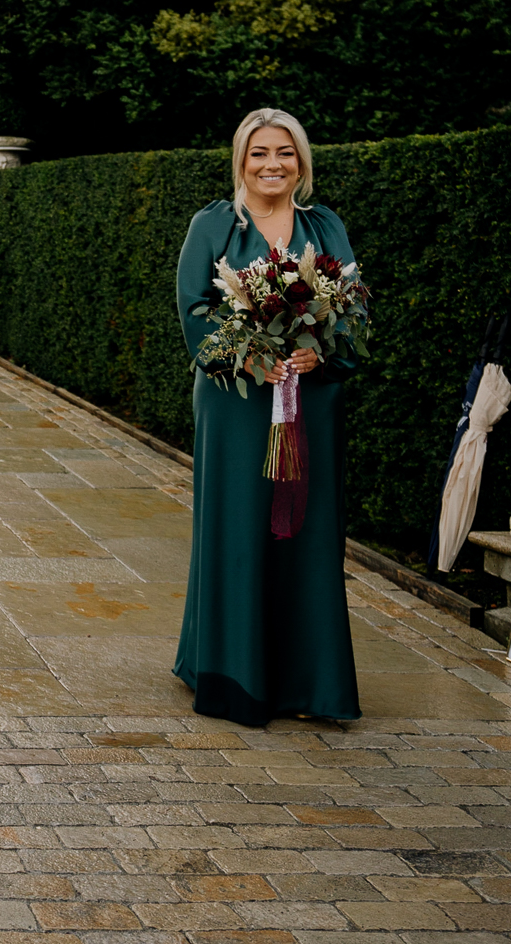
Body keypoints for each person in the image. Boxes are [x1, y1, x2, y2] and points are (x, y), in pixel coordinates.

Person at [173, 107, 361, 725]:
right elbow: (195, 310)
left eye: (284, 152)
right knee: (238, 528)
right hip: (238, 406)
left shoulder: (325, 227)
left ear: (300, 161)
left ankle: (310, 684)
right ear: (241, 161)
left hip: (311, 403)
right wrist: (249, 360)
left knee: (308, 531)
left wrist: (321, 353)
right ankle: (232, 675)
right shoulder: (215, 227)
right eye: (259, 153)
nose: (272, 164)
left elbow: (354, 310)